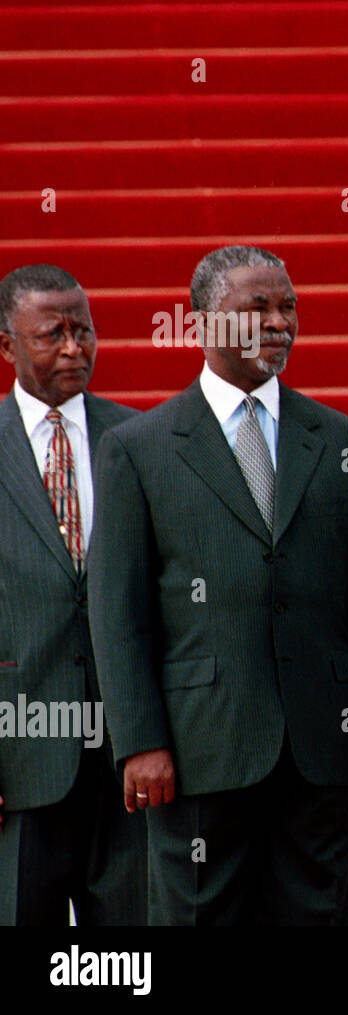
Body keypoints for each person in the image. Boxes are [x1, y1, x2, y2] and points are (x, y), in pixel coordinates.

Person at [88, 245, 348, 925]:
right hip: (198, 750)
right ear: (203, 322)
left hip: (320, 750)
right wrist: (140, 739)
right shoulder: (138, 448)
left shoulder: (346, 441)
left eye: (287, 306)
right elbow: (119, 612)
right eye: (255, 307)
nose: (278, 322)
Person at [0, 265, 145, 926]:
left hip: (125, 765)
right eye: (51, 334)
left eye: (83, 331)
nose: (73, 348)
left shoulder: (145, 442)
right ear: (8, 345)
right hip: (20, 758)